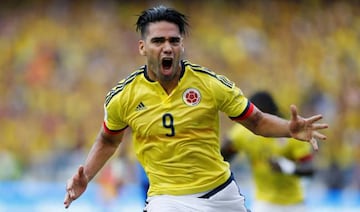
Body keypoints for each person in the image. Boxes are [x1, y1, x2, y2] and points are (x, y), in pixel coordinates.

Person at [63, 5, 328, 212]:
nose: (167, 47)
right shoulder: (124, 97)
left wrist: (288, 129)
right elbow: (108, 140)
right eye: (158, 41)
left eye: (174, 40)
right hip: (167, 198)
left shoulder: (210, 84)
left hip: (220, 193)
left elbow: (255, 121)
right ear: (143, 47)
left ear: (181, 45)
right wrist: (86, 175)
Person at [221, 91, 315, 212]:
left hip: (294, 203)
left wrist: (287, 167)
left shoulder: (290, 133)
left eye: (257, 117)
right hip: (264, 203)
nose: (253, 121)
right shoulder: (242, 133)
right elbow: (222, 157)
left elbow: (309, 169)